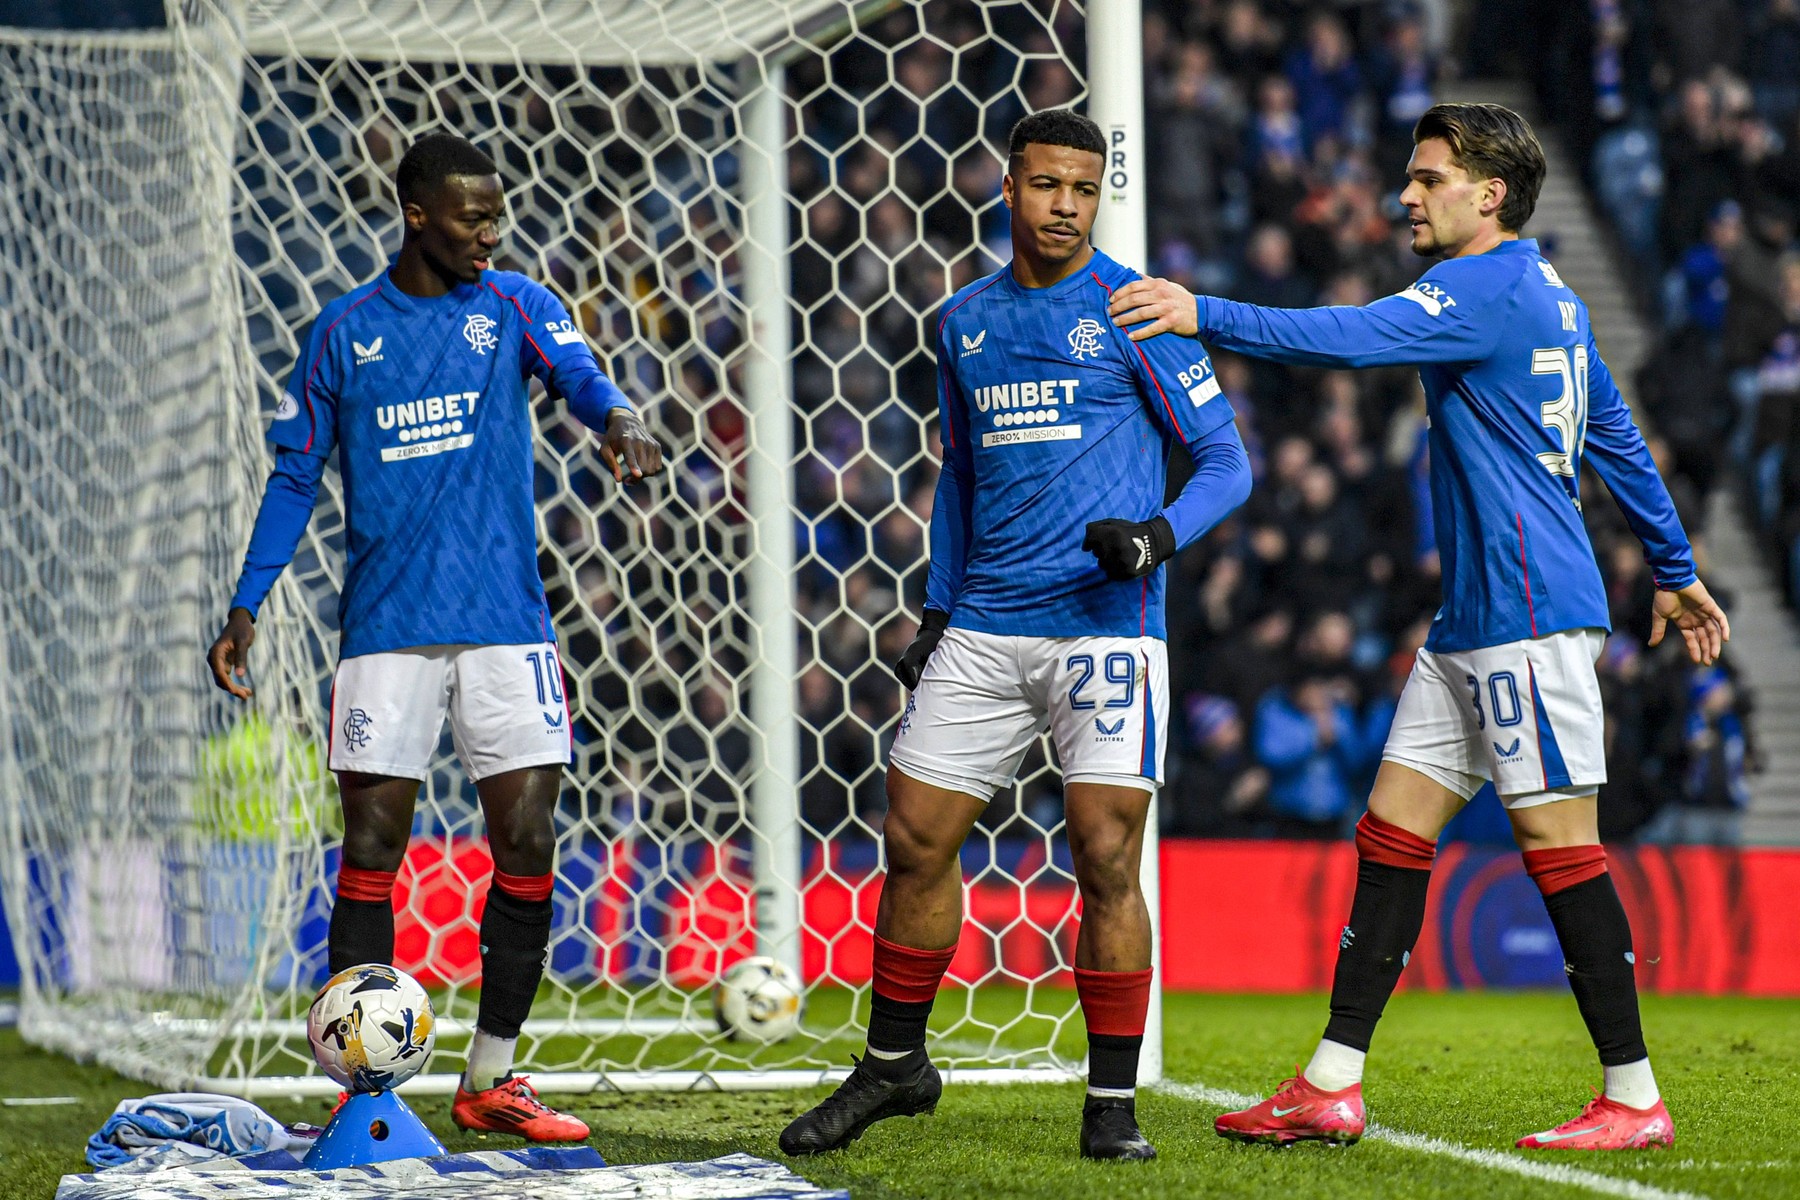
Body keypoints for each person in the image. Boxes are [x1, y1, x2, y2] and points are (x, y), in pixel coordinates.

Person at [1109, 102, 1730, 1151]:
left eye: (1427, 176)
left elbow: (1349, 339)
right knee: (1392, 830)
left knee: (1558, 846)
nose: (1407, 192)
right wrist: (1673, 569)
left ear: (1488, 195)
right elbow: (1615, 435)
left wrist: (1199, 310)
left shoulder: (1478, 287)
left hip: (1525, 614)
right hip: (1471, 625)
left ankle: (1634, 1097)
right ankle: (1332, 1081)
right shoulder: (1553, 296)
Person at [778, 109, 1252, 1162]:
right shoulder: (963, 322)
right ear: (1009, 185)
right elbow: (961, 477)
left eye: (1083, 189)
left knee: (1104, 854)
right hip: (986, 621)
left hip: (1107, 628)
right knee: (913, 838)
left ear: (1099, 193)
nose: (1065, 206)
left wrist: (1156, 536)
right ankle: (897, 1067)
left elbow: (1228, 461)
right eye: (1046, 185)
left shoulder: (1136, 311)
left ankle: (1111, 1105)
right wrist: (937, 608)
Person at [207, 132, 664, 1142]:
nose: (488, 231)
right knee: (372, 848)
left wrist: (620, 415)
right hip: (387, 627)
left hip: (505, 622)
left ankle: (491, 1078)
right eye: (471, 215)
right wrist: (247, 604)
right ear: (417, 212)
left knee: (529, 839)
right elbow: (294, 478)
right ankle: (364, 1097)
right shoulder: (342, 333)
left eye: (497, 213)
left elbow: (584, 378)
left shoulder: (516, 303)